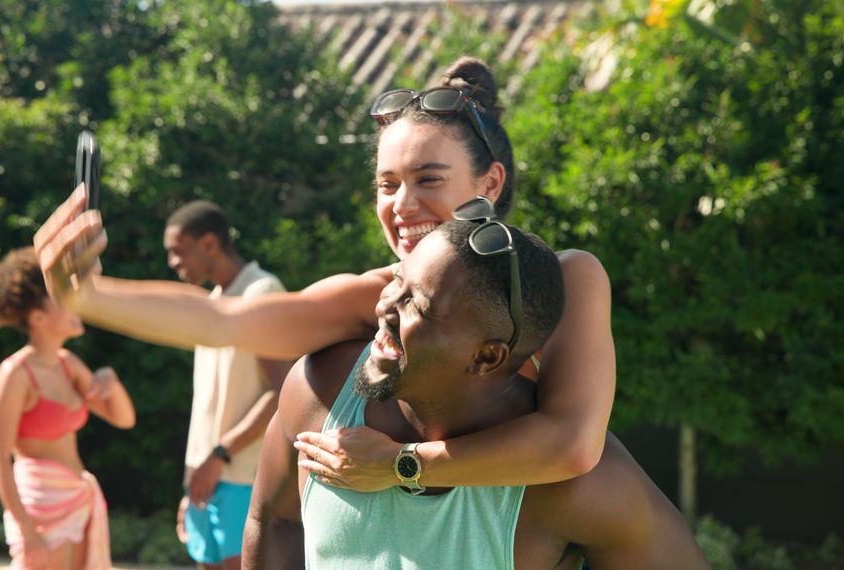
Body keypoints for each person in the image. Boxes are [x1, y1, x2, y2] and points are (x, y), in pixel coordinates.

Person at [33, 56, 614, 496]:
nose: (401, 204)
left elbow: (572, 444)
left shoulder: (570, 280)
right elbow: (222, 319)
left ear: (490, 183)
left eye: (428, 179)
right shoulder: (374, 295)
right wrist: (87, 296)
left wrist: (398, 465)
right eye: (387, 184)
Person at [243, 219, 708, 569]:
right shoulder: (319, 392)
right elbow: (273, 522)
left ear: (486, 357)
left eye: (417, 305)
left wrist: (397, 465)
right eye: (397, 283)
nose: (385, 307)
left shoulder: (572, 486)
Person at [0, 246, 137, 570]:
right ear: (37, 318)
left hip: (77, 495)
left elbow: (123, 419)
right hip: (40, 503)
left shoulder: (68, 364)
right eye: (62, 300)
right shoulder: (15, 374)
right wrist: (26, 529)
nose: (75, 306)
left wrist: (112, 382)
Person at [163, 201, 295, 570]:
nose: (172, 262)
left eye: (178, 251)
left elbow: (281, 390)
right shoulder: (214, 303)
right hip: (205, 476)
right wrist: (192, 480)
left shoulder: (262, 291)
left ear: (209, 243)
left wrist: (220, 455)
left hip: (243, 476)